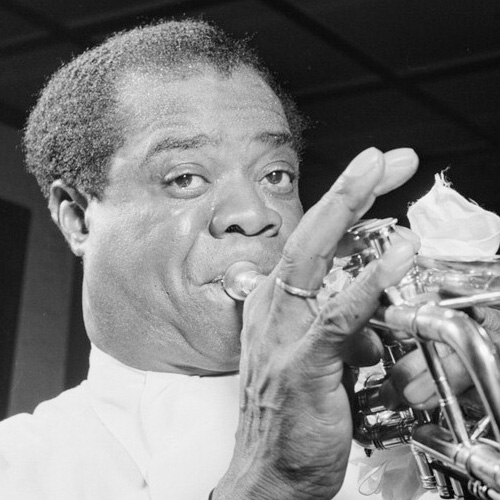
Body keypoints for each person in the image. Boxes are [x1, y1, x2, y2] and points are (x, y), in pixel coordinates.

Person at [0, 18, 492, 500]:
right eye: (184, 177)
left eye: (276, 176)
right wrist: (272, 486)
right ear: (78, 217)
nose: (254, 215)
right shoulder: (15, 467)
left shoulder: (407, 393)